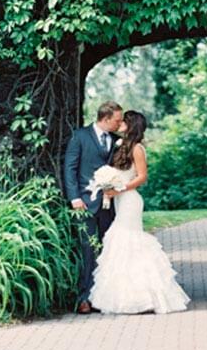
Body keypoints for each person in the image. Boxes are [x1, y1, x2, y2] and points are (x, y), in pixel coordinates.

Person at [89, 110, 190, 315]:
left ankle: (144, 296)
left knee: (126, 239)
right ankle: (125, 295)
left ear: (131, 124)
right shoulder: (121, 145)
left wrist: (119, 189)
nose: (119, 124)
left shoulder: (137, 148)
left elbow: (142, 177)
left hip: (130, 200)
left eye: (123, 121)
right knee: (121, 240)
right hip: (120, 200)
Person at [64, 100, 124, 315]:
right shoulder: (80, 136)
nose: (120, 123)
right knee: (88, 250)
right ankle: (84, 298)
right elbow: (70, 168)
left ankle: (104, 298)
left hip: (110, 206)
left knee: (109, 250)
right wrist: (74, 198)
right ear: (106, 119)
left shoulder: (118, 141)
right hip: (85, 204)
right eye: (117, 120)